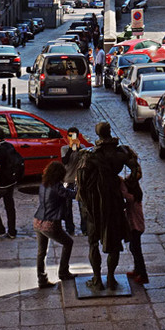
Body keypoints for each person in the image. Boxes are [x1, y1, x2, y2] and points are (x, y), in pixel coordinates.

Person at [76, 121, 137, 291]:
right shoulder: (121, 153)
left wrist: (85, 201)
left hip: (96, 202)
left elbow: (81, 182)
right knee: (114, 241)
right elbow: (136, 170)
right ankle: (110, 279)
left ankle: (97, 279)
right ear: (109, 132)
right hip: (115, 200)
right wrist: (127, 184)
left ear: (98, 135)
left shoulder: (91, 156)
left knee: (93, 242)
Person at [34, 161, 74, 288]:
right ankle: (63, 272)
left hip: (37, 220)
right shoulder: (57, 187)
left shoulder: (43, 185)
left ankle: (42, 279)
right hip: (50, 223)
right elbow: (72, 194)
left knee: (41, 251)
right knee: (68, 243)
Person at [120, 162, 149, 285]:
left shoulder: (134, 200)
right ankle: (137, 270)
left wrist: (120, 182)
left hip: (136, 227)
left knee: (136, 250)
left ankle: (143, 274)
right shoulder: (136, 196)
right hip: (135, 227)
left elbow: (125, 195)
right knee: (133, 248)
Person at [61, 127, 88, 235]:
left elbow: (85, 161)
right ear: (67, 137)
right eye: (70, 136)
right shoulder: (64, 148)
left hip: (79, 181)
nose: (72, 139)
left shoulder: (82, 149)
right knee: (67, 207)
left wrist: (78, 148)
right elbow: (65, 161)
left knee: (82, 206)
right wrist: (70, 150)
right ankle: (69, 228)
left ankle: (85, 228)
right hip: (67, 180)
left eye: (74, 136)